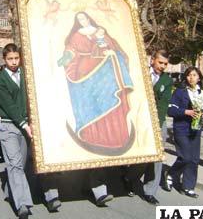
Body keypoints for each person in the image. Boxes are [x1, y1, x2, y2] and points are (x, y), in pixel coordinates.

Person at [57, 11, 134, 154]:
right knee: (92, 103)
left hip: (104, 71)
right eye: (79, 19)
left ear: (88, 17)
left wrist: (105, 45)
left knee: (109, 98)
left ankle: (115, 138)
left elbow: (112, 48)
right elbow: (71, 50)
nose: (82, 20)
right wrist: (66, 57)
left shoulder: (99, 31)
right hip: (86, 73)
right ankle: (94, 137)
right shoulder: (76, 35)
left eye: (84, 17)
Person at [0, 43, 33, 219]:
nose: (14, 62)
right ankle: (23, 204)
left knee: (20, 165)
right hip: (9, 126)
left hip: (25, 126)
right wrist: (24, 123)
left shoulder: (26, 74)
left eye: (16, 58)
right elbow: (8, 105)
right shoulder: (0, 79)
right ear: (4, 59)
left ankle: (10, 190)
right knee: (15, 164)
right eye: (10, 59)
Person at [164, 66, 203, 198]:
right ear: (185, 77)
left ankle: (188, 187)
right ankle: (171, 173)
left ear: (199, 77)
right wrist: (186, 112)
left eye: (194, 75)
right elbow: (170, 110)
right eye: (189, 75)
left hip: (195, 129)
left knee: (194, 159)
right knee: (185, 157)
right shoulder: (180, 91)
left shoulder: (202, 92)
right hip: (181, 128)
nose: (191, 77)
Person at [141, 50, 173, 205]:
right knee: (140, 153)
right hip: (139, 117)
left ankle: (150, 191)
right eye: (160, 62)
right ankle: (130, 178)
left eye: (166, 64)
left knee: (158, 156)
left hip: (157, 120)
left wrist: (156, 126)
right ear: (152, 60)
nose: (163, 66)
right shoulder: (140, 70)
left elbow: (163, 104)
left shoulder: (167, 80)